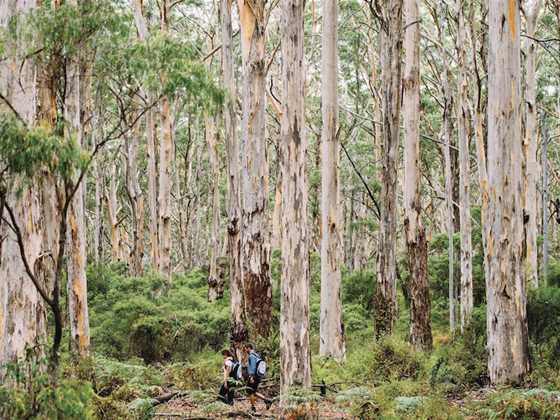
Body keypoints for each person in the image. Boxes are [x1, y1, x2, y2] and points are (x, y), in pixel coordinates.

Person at [244, 343, 272, 412]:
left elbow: (253, 367)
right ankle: (267, 400)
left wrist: (251, 377)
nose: (245, 350)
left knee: (250, 391)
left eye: (245, 348)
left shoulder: (252, 356)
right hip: (257, 376)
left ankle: (253, 408)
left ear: (248, 348)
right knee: (253, 391)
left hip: (254, 376)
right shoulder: (257, 355)